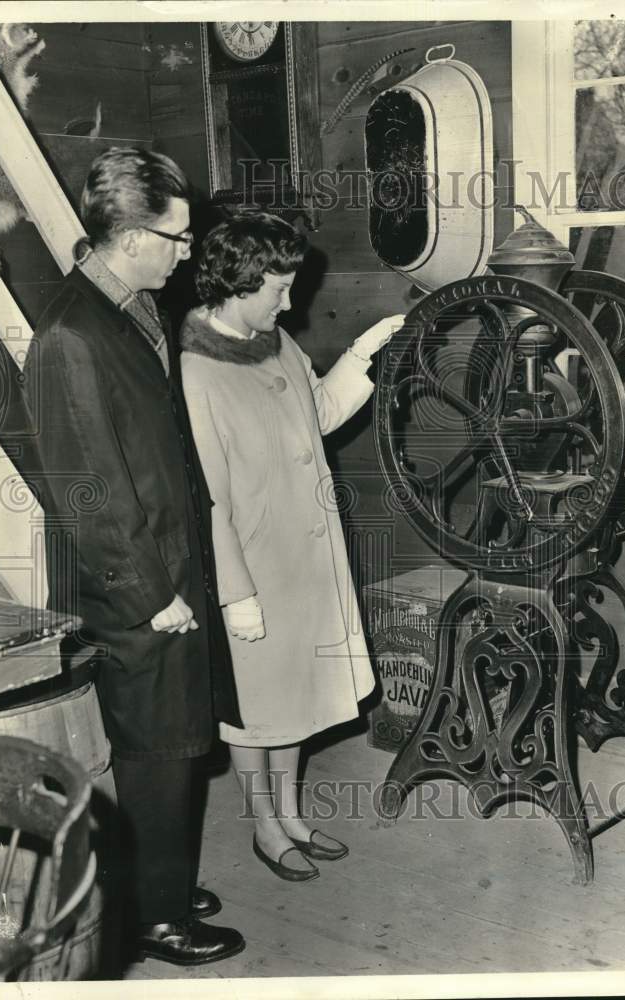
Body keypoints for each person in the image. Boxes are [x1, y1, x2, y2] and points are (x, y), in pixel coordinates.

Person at [22, 147, 245, 966]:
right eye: (177, 239)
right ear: (128, 235)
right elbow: (89, 494)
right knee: (156, 749)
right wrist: (154, 594)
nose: (188, 253)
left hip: (169, 565)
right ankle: (157, 919)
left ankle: (166, 883)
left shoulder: (127, 309)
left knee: (180, 737)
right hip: (135, 586)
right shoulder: (68, 337)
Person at [180, 210, 404, 881]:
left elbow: (322, 415)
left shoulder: (276, 343)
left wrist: (364, 355)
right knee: (257, 711)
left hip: (307, 556)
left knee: (298, 696)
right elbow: (209, 497)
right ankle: (264, 825)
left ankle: (292, 811)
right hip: (254, 565)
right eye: (276, 289)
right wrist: (236, 591)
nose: (289, 302)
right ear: (236, 286)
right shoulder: (197, 372)